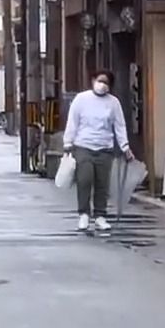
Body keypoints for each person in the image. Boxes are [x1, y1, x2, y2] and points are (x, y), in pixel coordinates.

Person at [63, 70, 129, 233]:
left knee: (102, 184)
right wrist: (68, 142)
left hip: (105, 148)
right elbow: (73, 121)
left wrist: (125, 147)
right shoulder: (81, 99)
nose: (102, 85)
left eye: (106, 83)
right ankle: (84, 214)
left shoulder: (113, 103)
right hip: (83, 146)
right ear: (93, 80)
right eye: (100, 81)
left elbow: (119, 126)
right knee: (84, 179)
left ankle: (100, 215)